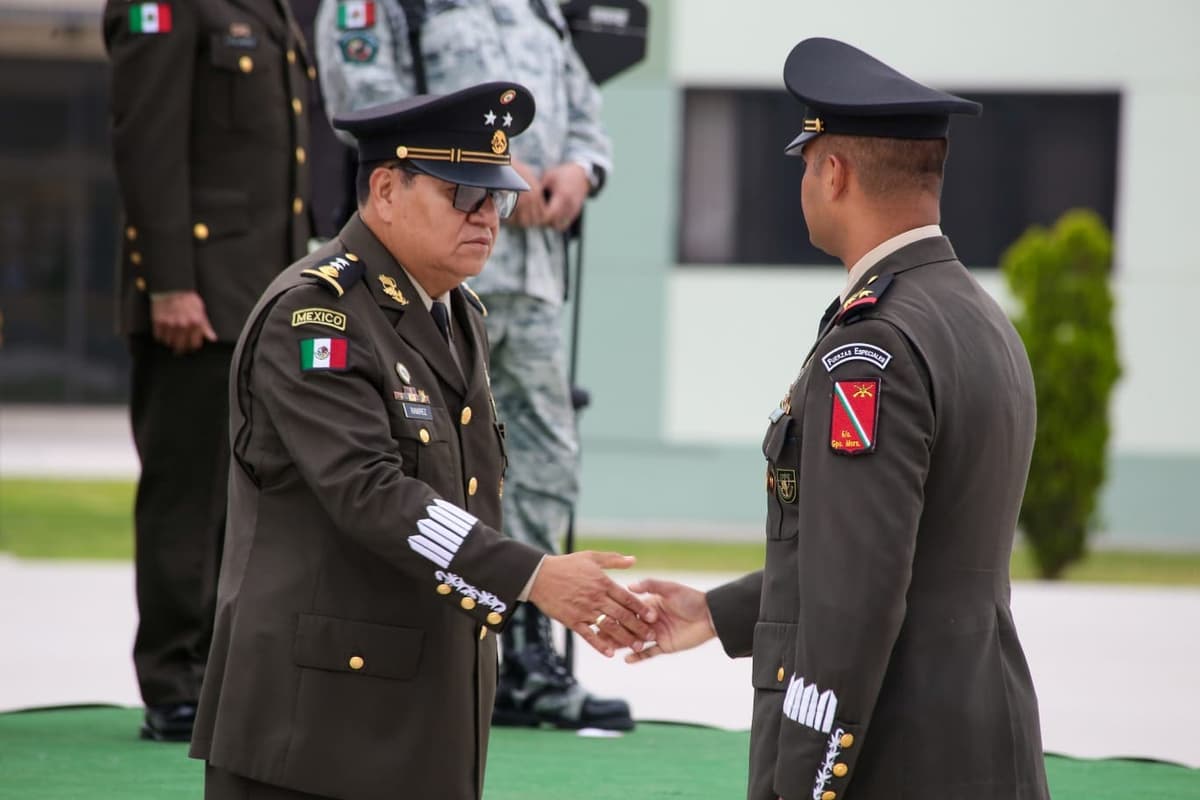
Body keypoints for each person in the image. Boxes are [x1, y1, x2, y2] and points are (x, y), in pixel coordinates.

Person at [188, 82, 655, 800]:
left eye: (495, 198)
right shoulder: (317, 315)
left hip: (416, 717)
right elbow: (372, 495)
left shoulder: (456, 310)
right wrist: (533, 576)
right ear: (384, 190)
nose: (486, 219)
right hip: (313, 729)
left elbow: (462, 491)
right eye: (462, 194)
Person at [625, 38, 1051, 800]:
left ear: (835, 171)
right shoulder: (977, 317)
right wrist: (719, 614)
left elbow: (859, 593)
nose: (803, 180)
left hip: (897, 756)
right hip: (982, 741)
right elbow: (908, 550)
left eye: (805, 160)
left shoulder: (872, 346)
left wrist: (809, 777)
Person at [314, 0, 627, 730]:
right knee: (434, 460)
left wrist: (581, 170)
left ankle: (523, 650)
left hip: (532, 275)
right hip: (424, 278)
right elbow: (368, 107)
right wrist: (481, 166)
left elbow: (583, 103)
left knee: (545, 459)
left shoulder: (535, 8)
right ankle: (453, 636)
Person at [102, 0, 315, 742]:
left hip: (265, 292)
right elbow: (147, 139)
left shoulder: (276, 8)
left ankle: (225, 671)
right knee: (187, 497)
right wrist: (168, 282)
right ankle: (173, 682)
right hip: (195, 295)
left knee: (251, 498)